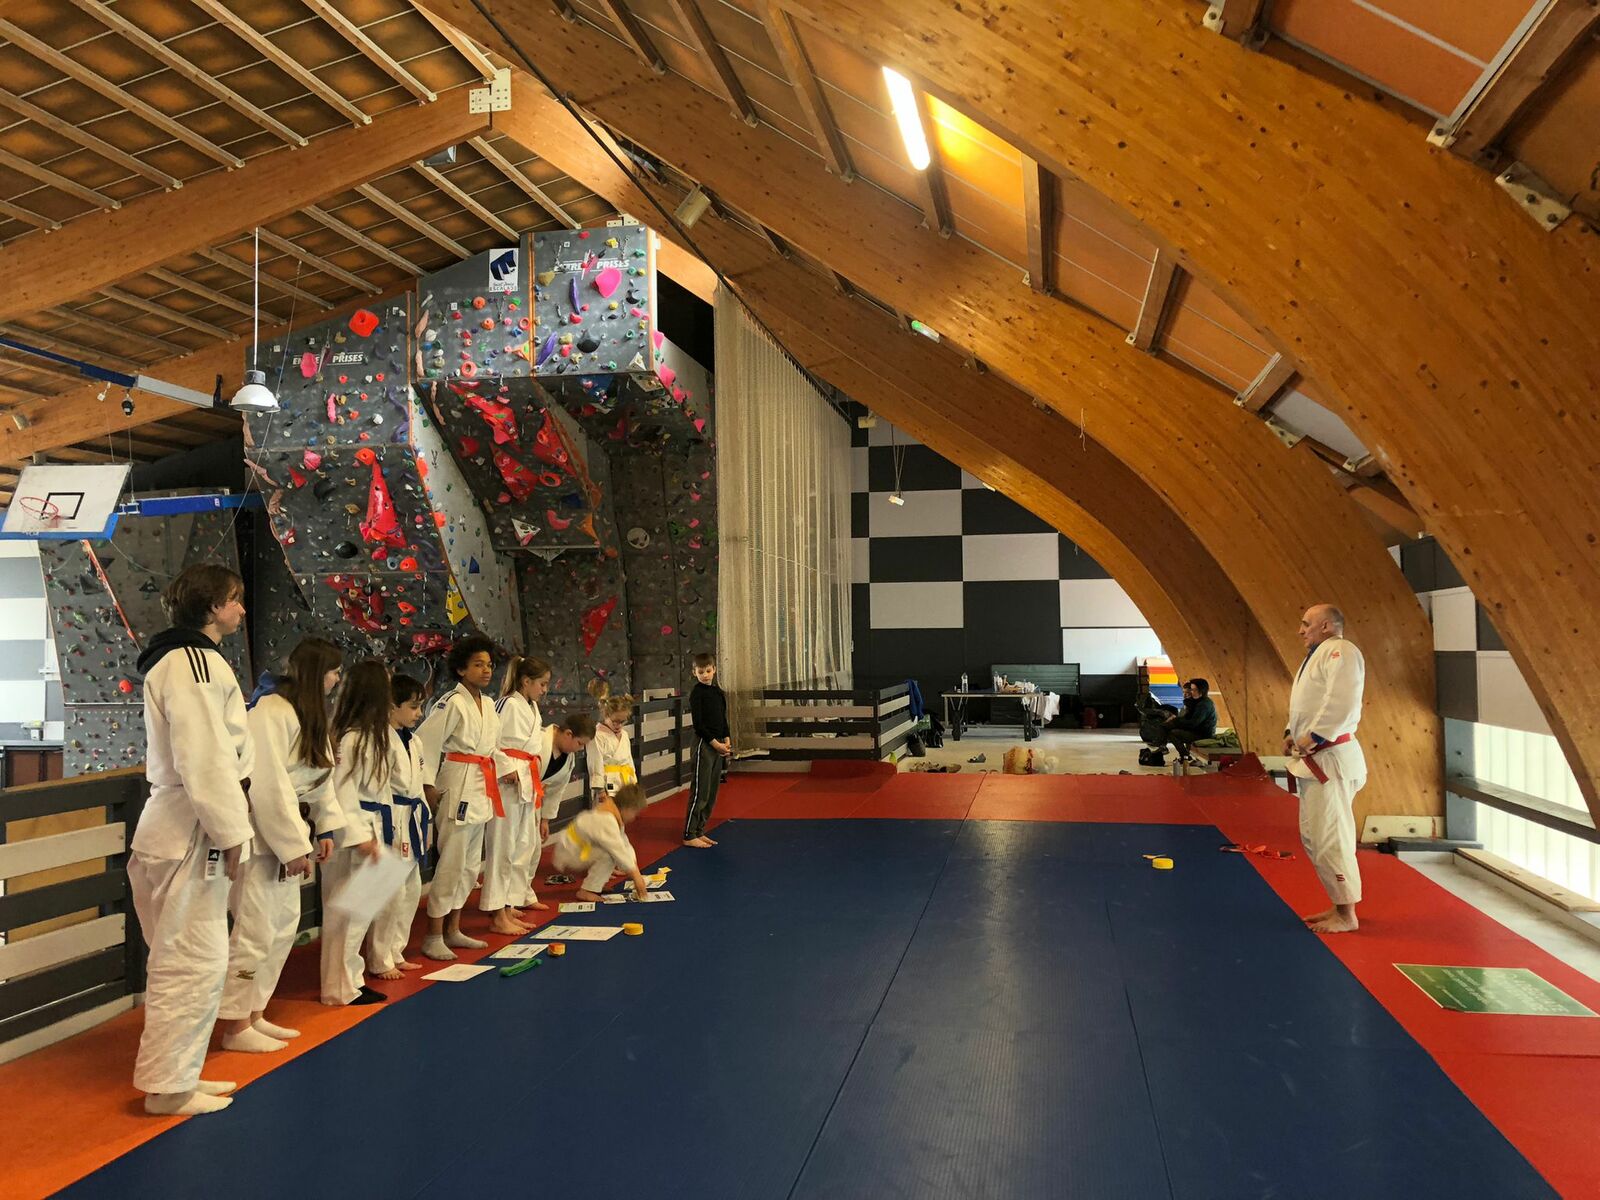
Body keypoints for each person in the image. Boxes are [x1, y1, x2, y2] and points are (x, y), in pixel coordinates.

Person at [128, 564, 255, 1116]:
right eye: (235, 599)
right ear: (213, 606)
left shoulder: (183, 661)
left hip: (181, 822)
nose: (242, 609)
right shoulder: (193, 662)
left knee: (190, 958)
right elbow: (205, 757)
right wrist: (233, 833)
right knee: (191, 960)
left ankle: (179, 1075)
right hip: (191, 826)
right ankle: (169, 1089)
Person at [218, 638, 345, 1052]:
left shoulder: (305, 712)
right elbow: (268, 785)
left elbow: (319, 779)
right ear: (316, 672)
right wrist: (293, 847)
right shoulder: (270, 711)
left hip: (292, 830)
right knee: (254, 930)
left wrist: (325, 828)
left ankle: (255, 1012)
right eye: (333, 672)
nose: (336, 680)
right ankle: (235, 1025)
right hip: (261, 836)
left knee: (283, 928)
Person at [416, 634, 501, 961]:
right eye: (478, 664)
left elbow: (493, 749)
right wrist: (427, 784)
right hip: (458, 781)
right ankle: (433, 935)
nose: (486, 670)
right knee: (451, 861)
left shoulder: (489, 705)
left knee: (469, 865)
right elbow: (424, 741)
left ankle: (454, 929)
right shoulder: (451, 702)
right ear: (461, 669)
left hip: (481, 783)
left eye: (489, 665)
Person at [1285, 604, 1368, 935]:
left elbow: (1342, 701)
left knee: (1331, 838)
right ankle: (1338, 904)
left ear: (1327, 626)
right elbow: (1306, 704)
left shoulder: (1341, 651)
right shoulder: (1317, 655)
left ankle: (1347, 915)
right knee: (1316, 837)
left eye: (1306, 624)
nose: (1300, 630)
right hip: (1318, 759)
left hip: (1331, 759)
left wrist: (1316, 735)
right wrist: (1291, 733)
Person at [321, 660, 393, 1006]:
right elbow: (342, 790)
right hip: (351, 831)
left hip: (369, 823)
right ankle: (339, 987)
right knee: (345, 913)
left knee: (360, 911)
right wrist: (360, 836)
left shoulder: (368, 735)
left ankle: (351, 979)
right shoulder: (350, 739)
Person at [364, 674, 429, 981]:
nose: (419, 713)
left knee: (412, 889)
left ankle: (395, 950)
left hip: (411, 816)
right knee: (392, 890)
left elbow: (419, 784)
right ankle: (379, 957)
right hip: (390, 818)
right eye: (413, 707)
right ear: (392, 705)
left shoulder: (413, 741)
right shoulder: (378, 738)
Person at [484, 655, 552, 933]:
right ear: (526, 681)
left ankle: (509, 904)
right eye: (542, 684)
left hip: (526, 778)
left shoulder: (531, 706)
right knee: (502, 848)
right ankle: (496, 914)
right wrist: (505, 767)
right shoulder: (507, 704)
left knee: (522, 845)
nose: (545, 689)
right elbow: (488, 741)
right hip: (506, 782)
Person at [553, 782, 652, 903]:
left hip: (578, 847)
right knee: (609, 855)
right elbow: (618, 850)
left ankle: (596, 884)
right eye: (635, 813)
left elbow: (624, 844)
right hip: (570, 853)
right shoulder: (606, 819)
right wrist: (636, 877)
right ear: (628, 809)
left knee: (615, 853)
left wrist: (635, 869)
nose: (634, 817)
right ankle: (587, 890)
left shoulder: (614, 813)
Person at [683, 652, 731, 848]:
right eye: (701, 672)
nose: (705, 675)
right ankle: (689, 834)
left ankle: (699, 830)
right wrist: (715, 744)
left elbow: (722, 718)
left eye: (708, 671)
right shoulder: (697, 693)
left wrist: (726, 740)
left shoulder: (718, 692)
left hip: (718, 743)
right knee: (700, 791)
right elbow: (699, 725)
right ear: (694, 672)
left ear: (714, 670)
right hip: (704, 744)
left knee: (711, 792)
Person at [586, 679, 637, 800]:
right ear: (606, 715)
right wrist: (600, 790)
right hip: (607, 786)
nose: (619, 725)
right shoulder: (597, 736)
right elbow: (595, 764)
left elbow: (629, 760)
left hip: (625, 783)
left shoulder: (624, 734)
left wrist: (634, 781)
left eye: (623, 722)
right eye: (615, 721)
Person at [1163, 678, 1218, 764]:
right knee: (1170, 726)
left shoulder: (1204, 705)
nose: (1191, 692)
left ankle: (1185, 756)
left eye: (1193, 690)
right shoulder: (1198, 701)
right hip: (1198, 731)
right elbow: (1187, 718)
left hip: (1203, 734)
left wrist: (1175, 722)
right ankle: (1164, 746)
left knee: (1173, 733)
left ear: (1201, 691)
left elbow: (1192, 723)